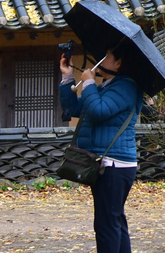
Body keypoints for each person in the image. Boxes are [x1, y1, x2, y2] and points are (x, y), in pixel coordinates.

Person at [59, 45, 142, 253]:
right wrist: (69, 78)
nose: (100, 58)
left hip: (115, 165)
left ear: (119, 62)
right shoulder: (108, 85)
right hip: (106, 163)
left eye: (106, 56)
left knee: (106, 224)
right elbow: (75, 109)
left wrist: (88, 83)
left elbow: (98, 111)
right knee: (114, 220)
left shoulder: (126, 87)